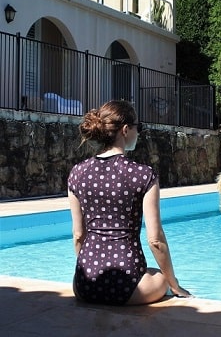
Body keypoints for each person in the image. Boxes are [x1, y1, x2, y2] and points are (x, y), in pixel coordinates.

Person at [67, 100, 191, 305]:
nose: (138, 133)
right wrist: (174, 284)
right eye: (137, 127)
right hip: (126, 287)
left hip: (84, 286)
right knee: (160, 277)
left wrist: (89, 271)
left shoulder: (77, 173)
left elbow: (78, 235)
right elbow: (156, 241)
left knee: (150, 274)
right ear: (125, 130)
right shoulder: (143, 175)